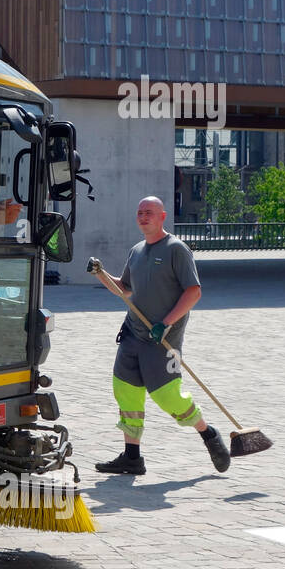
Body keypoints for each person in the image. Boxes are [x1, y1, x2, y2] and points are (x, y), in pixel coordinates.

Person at [90, 196, 229, 475]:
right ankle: (132, 457)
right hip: (132, 335)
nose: (143, 217)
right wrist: (100, 273)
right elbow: (124, 289)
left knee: (168, 397)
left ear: (162, 216)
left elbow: (194, 292)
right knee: (126, 392)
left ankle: (208, 433)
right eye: (140, 212)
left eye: (149, 212)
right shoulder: (137, 251)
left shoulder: (176, 249)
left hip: (163, 340)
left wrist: (165, 323)